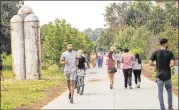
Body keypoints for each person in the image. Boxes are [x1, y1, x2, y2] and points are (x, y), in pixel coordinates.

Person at [149, 38, 175, 110]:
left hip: (159, 75)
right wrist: (168, 65)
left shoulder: (155, 52)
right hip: (167, 75)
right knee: (169, 91)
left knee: (160, 92)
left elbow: (150, 63)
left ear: (160, 44)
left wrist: (156, 65)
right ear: (166, 44)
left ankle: (162, 108)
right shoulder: (170, 53)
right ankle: (170, 107)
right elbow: (172, 64)